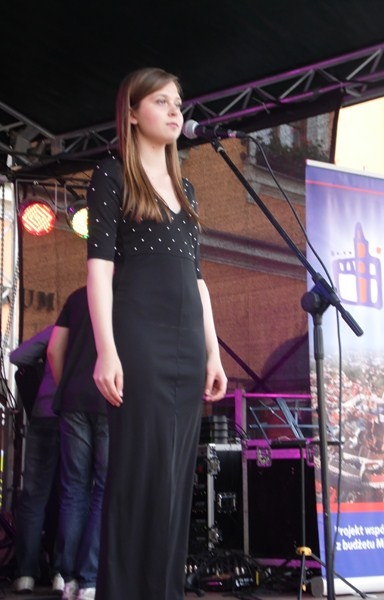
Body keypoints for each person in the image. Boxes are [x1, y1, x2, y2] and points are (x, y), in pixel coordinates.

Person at [86, 67, 228, 600]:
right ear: (132, 112)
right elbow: (99, 270)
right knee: (137, 475)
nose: (175, 111)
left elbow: (199, 281)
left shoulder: (186, 189)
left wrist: (213, 353)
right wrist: (106, 350)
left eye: (178, 103)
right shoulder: (112, 175)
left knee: (174, 481)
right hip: (139, 338)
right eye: (162, 101)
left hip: (188, 343)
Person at [47, 286, 108, 600]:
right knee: (104, 488)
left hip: (73, 400)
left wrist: (67, 387)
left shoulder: (76, 297)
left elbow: (53, 350)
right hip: (110, 399)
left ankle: (68, 578)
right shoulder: (125, 292)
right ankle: (89, 579)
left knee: (73, 488)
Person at [10, 326, 64, 595]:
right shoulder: (102, 333)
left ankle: (25, 574)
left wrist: (45, 363)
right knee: (74, 496)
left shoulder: (57, 330)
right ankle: (62, 573)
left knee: (33, 497)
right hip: (77, 416)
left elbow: (17, 356)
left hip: (44, 413)